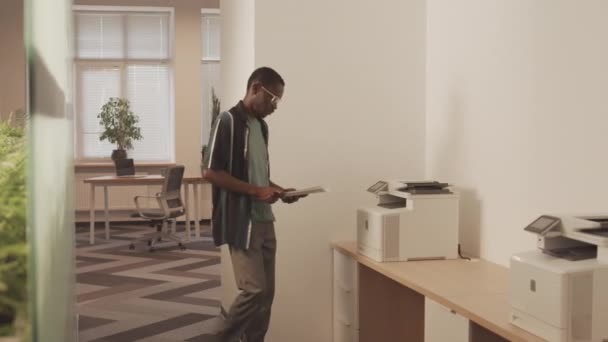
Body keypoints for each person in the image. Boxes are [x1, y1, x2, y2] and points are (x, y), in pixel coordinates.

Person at [202, 67, 305, 342]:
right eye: (273, 99)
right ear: (256, 88)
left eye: (278, 101)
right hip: (241, 220)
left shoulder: (261, 127)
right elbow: (210, 171)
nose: (275, 107)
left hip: (265, 220)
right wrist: (256, 191)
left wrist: (279, 190)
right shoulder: (228, 121)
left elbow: (257, 174)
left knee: (266, 297)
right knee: (254, 290)